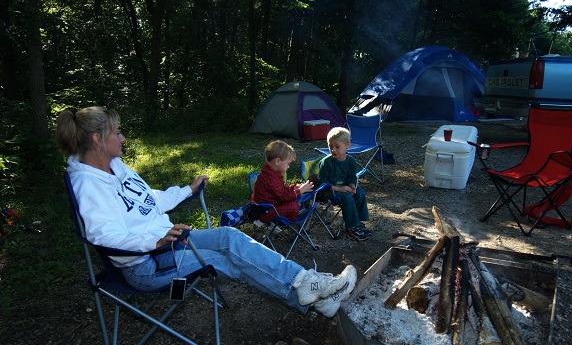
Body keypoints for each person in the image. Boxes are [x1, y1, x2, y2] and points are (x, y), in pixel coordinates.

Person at [56, 106, 357, 318]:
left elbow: (151, 200)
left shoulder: (115, 166)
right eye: (117, 132)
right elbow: (102, 235)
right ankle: (315, 297)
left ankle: (308, 285)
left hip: (169, 245)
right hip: (146, 266)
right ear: (97, 139)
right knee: (227, 258)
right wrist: (157, 242)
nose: (122, 138)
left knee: (228, 235)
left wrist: (186, 191)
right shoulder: (87, 185)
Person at [316, 127, 370, 241]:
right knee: (347, 197)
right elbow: (321, 183)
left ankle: (358, 223)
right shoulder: (326, 162)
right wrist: (339, 188)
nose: (333, 150)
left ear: (347, 146)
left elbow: (352, 177)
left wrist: (351, 185)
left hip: (343, 189)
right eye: (330, 146)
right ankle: (351, 227)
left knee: (360, 192)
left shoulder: (350, 161)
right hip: (327, 191)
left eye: (337, 147)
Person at [251, 140, 314, 222]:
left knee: (293, 201)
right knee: (293, 206)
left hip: (268, 207)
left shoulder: (270, 174)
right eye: (288, 163)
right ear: (277, 161)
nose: (288, 167)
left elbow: (280, 190)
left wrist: (294, 187)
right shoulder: (271, 178)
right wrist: (301, 190)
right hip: (266, 212)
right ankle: (290, 220)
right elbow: (285, 197)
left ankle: (298, 208)